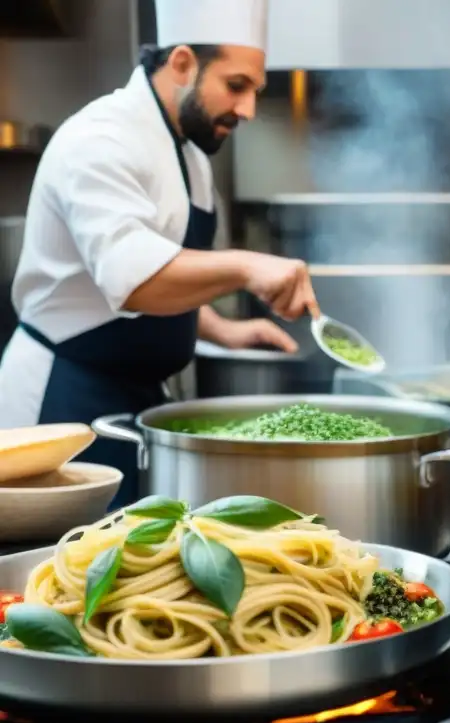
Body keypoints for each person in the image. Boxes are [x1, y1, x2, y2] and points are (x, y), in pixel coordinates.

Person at [0, 0, 320, 508]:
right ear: (182, 63)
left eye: (254, 91)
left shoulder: (191, 153)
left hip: (137, 400)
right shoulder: (100, 139)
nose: (248, 110)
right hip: (63, 403)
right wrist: (245, 266)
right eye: (236, 86)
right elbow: (134, 280)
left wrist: (223, 329)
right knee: (64, 571)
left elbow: (171, 265)